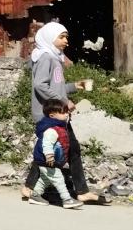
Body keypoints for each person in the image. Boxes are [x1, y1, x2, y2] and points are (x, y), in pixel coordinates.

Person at [19, 21, 106, 204]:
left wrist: (75, 86)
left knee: (67, 148)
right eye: (62, 36)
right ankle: (77, 191)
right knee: (61, 148)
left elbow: (55, 87)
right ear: (51, 38)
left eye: (66, 36)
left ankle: (33, 187)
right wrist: (64, 101)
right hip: (49, 113)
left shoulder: (54, 58)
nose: (66, 40)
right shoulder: (46, 58)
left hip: (56, 112)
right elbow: (40, 85)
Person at [31, 98, 82, 209]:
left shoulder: (60, 126)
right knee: (58, 178)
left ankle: (35, 195)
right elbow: (47, 144)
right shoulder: (52, 129)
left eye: (66, 111)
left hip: (50, 160)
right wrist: (49, 156)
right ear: (52, 116)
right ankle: (67, 199)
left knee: (45, 179)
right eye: (63, 112)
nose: (66, 114)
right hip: (47, 160)